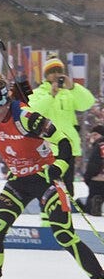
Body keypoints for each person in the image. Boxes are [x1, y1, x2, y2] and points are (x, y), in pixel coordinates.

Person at [0, 71, 104, 279]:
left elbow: (64, 143)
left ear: (6, 102)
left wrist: (58, 166)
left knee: (64, 235)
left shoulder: (27, 117)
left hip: (45, 179)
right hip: (18, 181)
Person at [26, 58, 96, 196]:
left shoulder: (69, 92)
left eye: (59, 71)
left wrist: (73, 87)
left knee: (67, 187)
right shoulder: (38, 93)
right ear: (46, 75)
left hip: (67, 147)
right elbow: (32, 111)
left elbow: (87, 103)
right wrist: (51, 95)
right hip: (47, 148)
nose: (56, 74)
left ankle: (66, 213)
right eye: (52, 72)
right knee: (49, 186)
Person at [81, 125, 104, 216]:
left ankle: (94, 204)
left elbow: (93, 165)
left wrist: (87, 177)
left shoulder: (99, 146)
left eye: (95, 134)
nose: (92, 137)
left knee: (88, 208)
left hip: (98, 181)